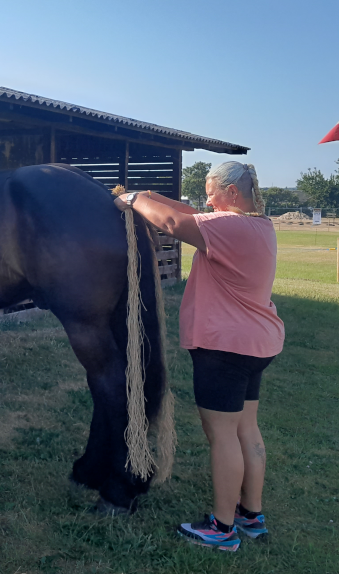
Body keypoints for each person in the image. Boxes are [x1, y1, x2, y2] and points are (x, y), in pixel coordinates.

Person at [115, 161, 284, 552]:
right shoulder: (259, 225)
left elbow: (175, 224)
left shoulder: (229, 227)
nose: (206, 199)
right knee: (247, 431)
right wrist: (149, 197)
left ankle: (222, 528)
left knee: (222, 437)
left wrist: (134, 198)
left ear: (232, 194)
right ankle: (250, 515)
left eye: (212, 192)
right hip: (256, 343)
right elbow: (190, 214)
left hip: (225, 348)